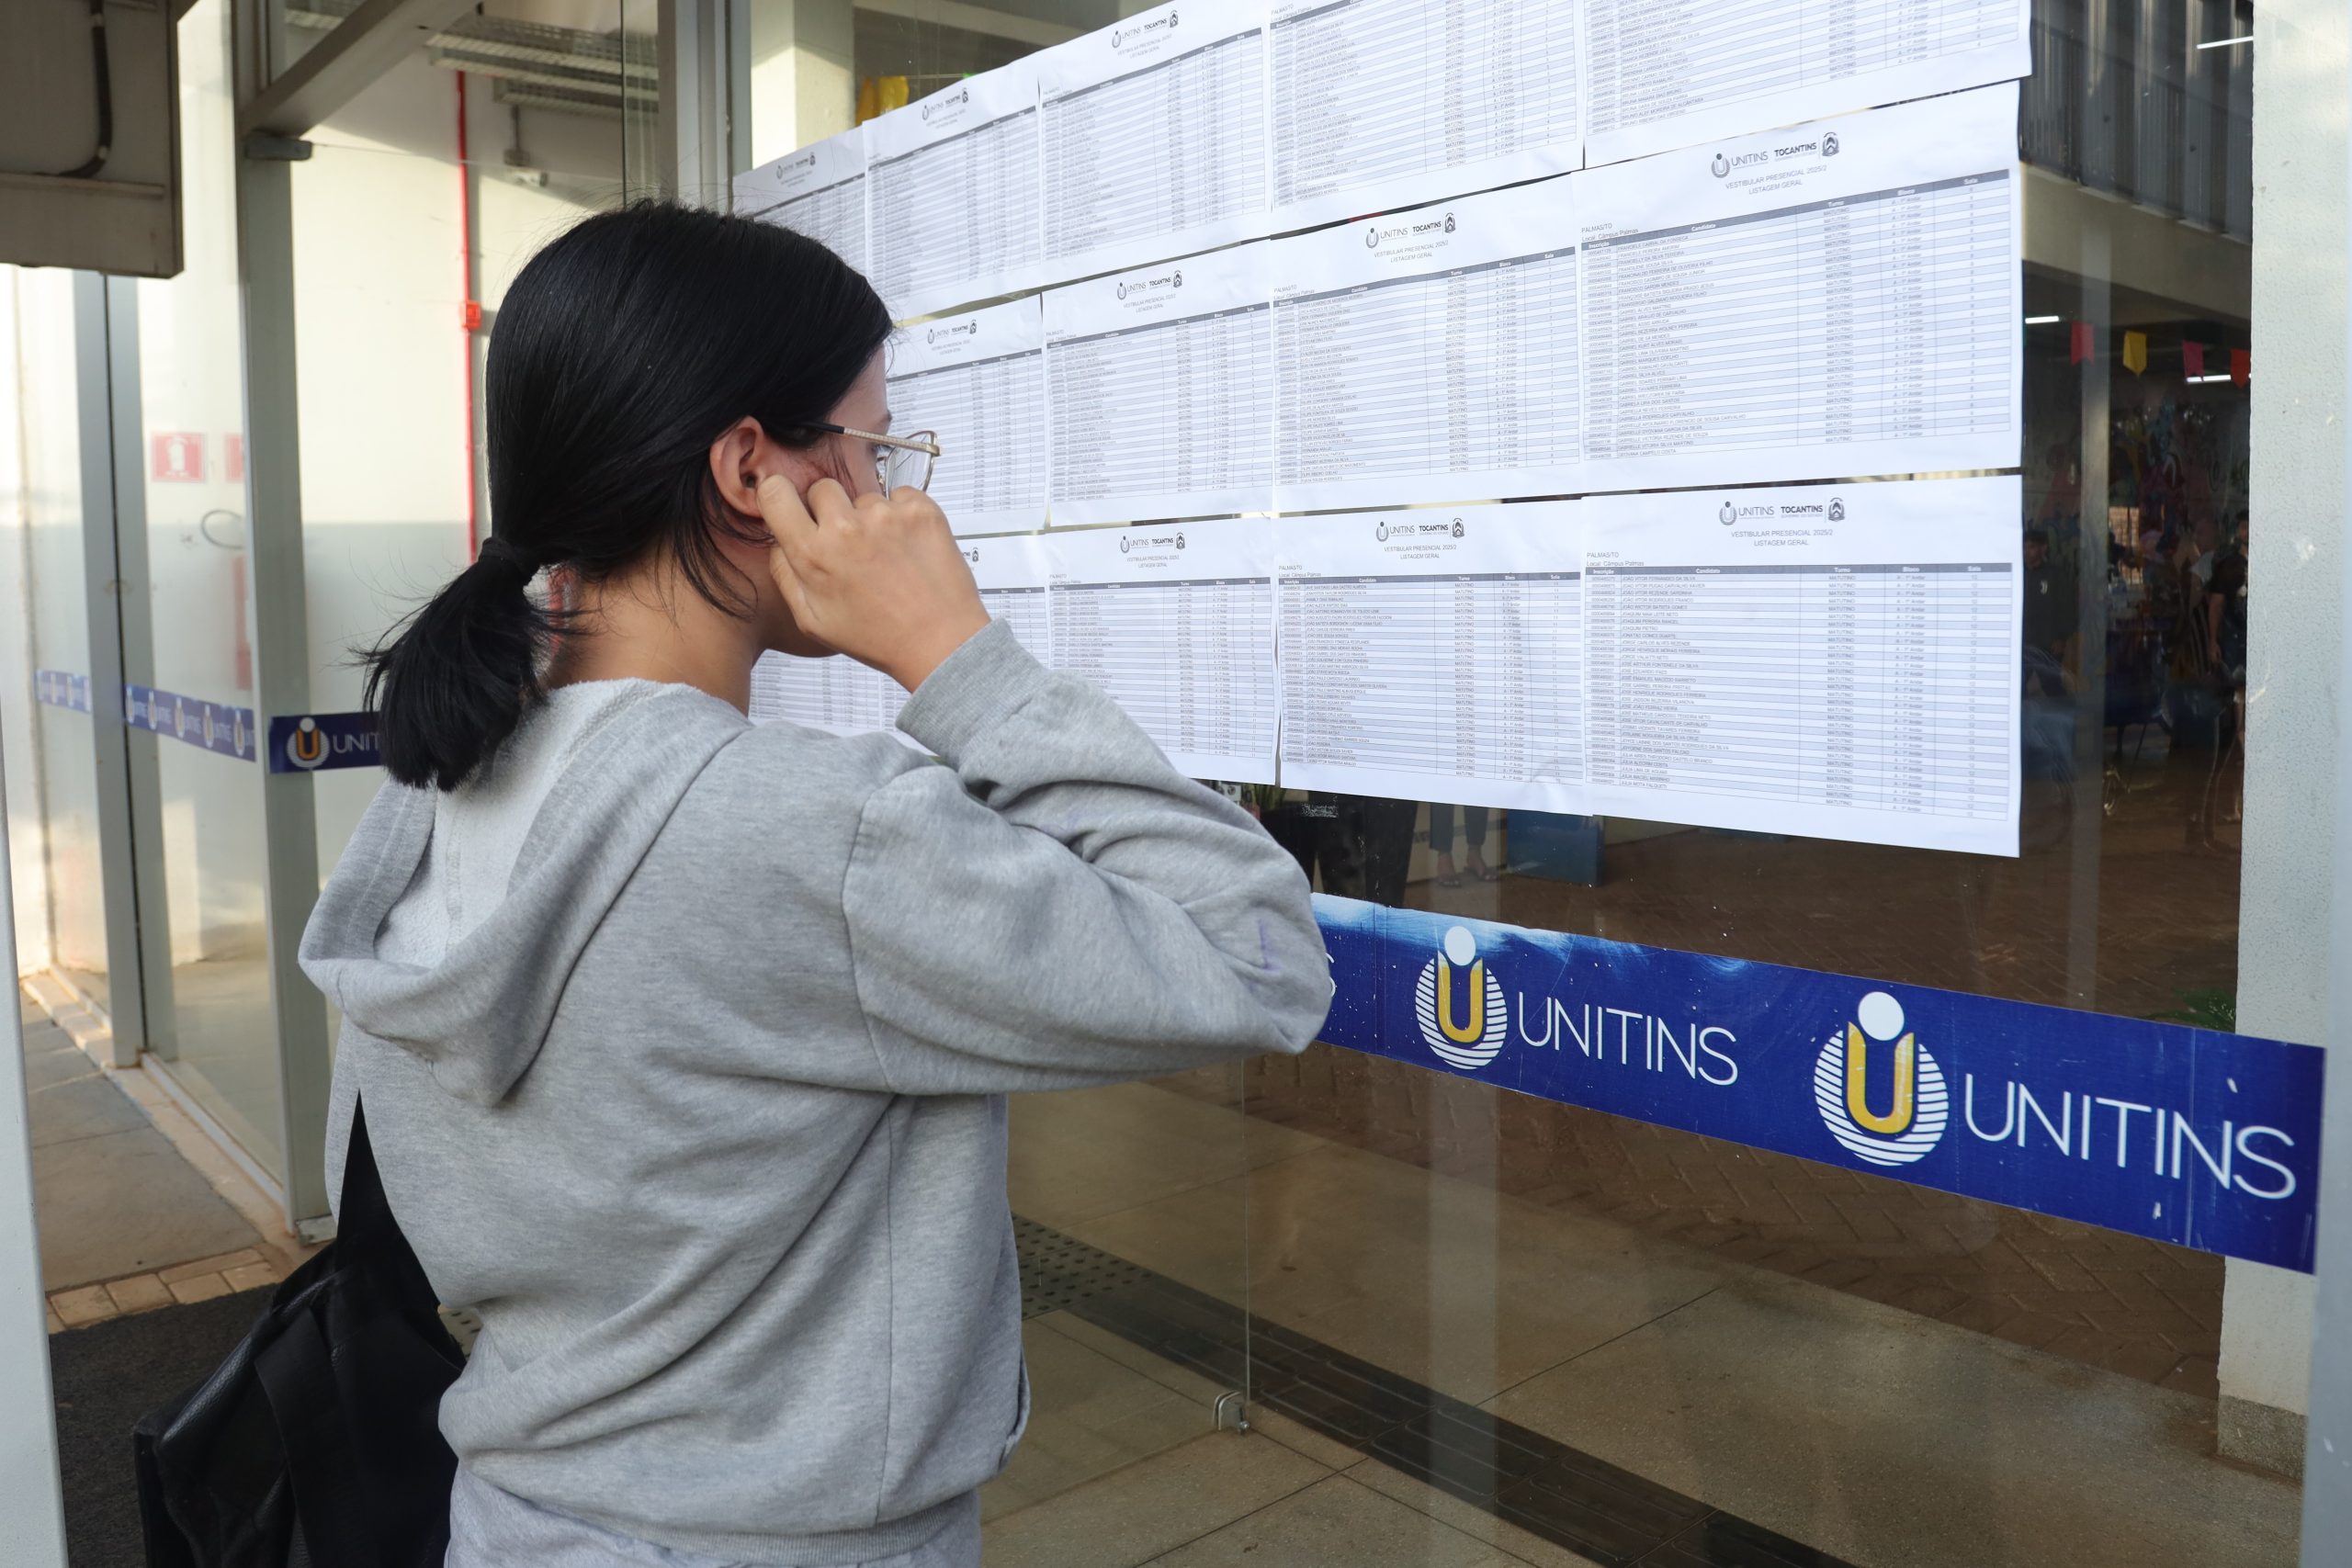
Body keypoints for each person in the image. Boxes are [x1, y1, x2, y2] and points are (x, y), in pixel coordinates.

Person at [298, 204, 1329, 1568]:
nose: (891, 498)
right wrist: (957, 657)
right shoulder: (814, 832)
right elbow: (1258, 956)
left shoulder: (438, 791)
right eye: (873, 450)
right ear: (751, 472)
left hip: (515, 1522)